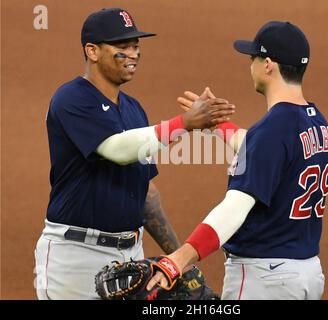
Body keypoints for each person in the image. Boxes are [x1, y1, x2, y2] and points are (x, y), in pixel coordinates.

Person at [34, 8, 235, 300]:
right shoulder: (72, 99)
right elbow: (116, 149)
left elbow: (145, 194)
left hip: (130, 256)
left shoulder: (134, 110)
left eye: (136, 46)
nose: (133, 53)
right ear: (92, 51)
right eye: (122, 46)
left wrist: (178, 259)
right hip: (75, 256)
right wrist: (184, 124)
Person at [147, 21, 328, 300]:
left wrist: (179, 258)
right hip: (307, 274)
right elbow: (266, 148)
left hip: (265, 278)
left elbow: (234, 209)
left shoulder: (271, 131)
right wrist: (216, 125)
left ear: (268, 65)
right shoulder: (318, 123)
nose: (250, 65)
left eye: (253, 58)